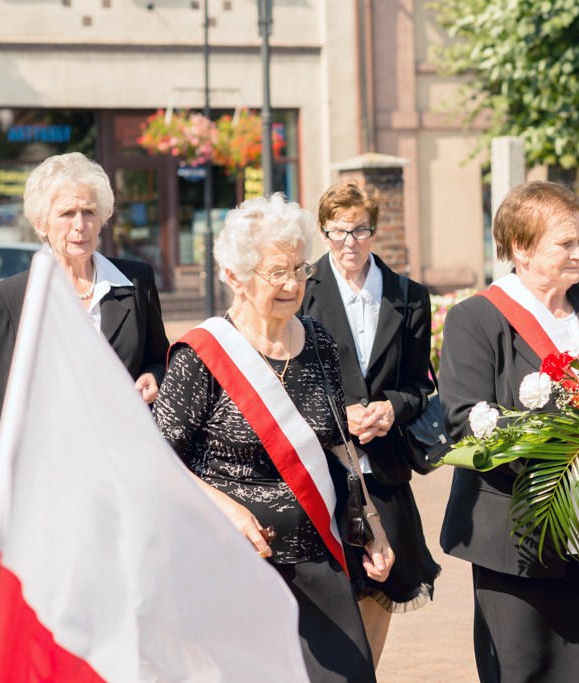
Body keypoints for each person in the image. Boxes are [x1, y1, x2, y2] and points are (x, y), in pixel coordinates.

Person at [153, 193, 394, 682]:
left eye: (300, 270)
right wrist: (227, 509)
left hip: (316, 557)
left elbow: (336, 447)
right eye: (276, 272)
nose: (292, 284)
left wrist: (371, 522)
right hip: (233, 569)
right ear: (235, 277)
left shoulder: (319, 341)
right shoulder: (201, 356)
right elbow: (155, 460)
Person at [439, 181, 579, 682]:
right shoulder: (475, 320)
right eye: (566, 244)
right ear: (521, 247)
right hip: (521, 543)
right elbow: (464, 423)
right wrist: (571, 449)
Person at [0, 152, 168, 529]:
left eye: (89, 212)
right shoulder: (11, 297)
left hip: (127, 468)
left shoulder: (136, 282)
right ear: (41, 223)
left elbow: (159, 357)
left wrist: (154, 376)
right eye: (66, 214)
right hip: (47, 474)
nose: (80, 226)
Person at [300, 181, 440, 666]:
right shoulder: (300, 289)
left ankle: (366, 674)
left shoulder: (409, 296)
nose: (349, 243)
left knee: (384, 578)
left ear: (375, 231)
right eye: (338, 231)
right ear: (323, 233)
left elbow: (421, 386)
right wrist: (340, 415)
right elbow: (283, 376)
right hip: (322, 462)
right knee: (330, 581)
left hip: (383, 464)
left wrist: (390, 409)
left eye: (360, 230)